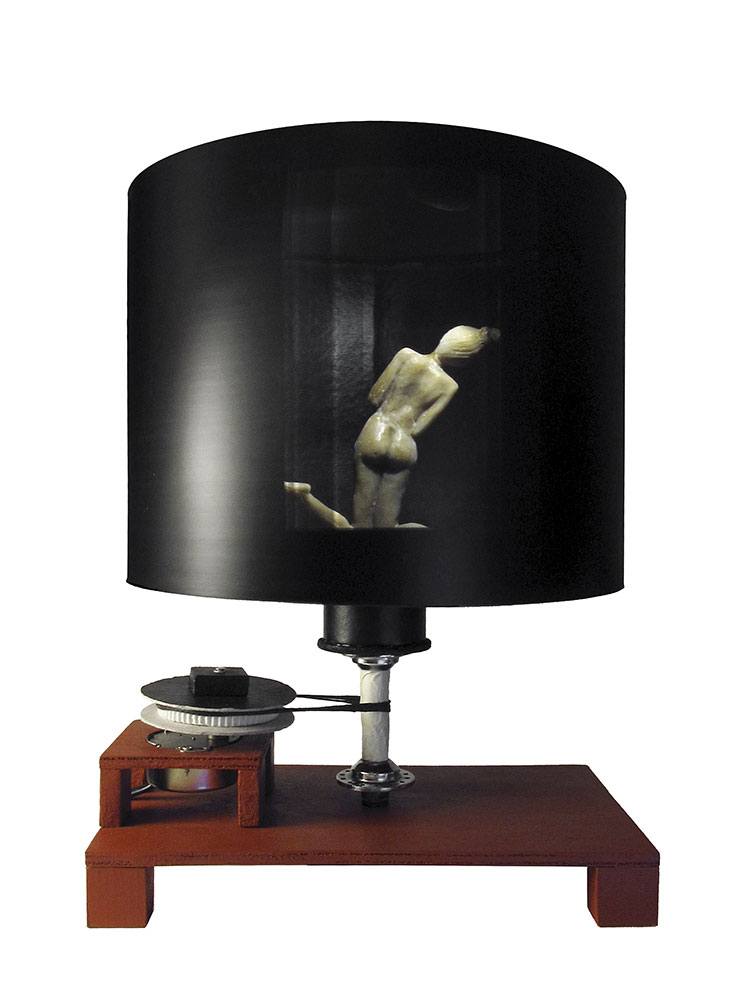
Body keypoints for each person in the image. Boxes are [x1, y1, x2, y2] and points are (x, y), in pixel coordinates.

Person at [285, 324, 497, 528]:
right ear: (463, 360)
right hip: (404, 444)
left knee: (360, 524)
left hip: (377, 431)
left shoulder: (406, 356)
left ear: (447, 338)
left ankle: (305, 496)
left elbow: (375, 397)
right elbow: (418, 429)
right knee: (387, 526)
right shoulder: (449, 386)